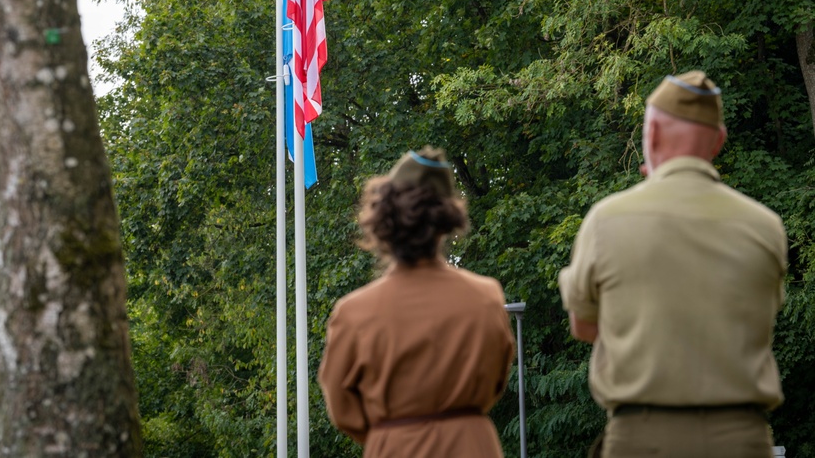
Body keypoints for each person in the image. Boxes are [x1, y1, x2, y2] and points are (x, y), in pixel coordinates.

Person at [559, 71, 787, 457]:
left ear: (652, 136)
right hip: (742, 439)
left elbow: (583, 326)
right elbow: (761, 317)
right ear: (718, 141)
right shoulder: (765, 227)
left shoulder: (606, 220)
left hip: (641, 438)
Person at [318, 146, 515, 458]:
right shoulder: (486, 296)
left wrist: (392, 432)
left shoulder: (354, 312)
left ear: (383, 220)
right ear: (446, 220)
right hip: (472, 446)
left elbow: (341, 403)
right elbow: (495, 382)